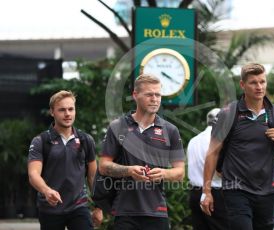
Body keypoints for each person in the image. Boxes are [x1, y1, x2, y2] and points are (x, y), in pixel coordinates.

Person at [201, 63, 274, 230]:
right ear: (242, 85)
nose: (259, 87)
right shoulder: (227, 114)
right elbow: (212, 153)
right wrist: (206, 192)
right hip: (236, 188)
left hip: (267, 190)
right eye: (253, 83)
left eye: (262, 82)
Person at [99, 74, 185, 230]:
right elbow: (103, 166)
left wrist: (164, 174)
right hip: (125, 211)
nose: (155, 99)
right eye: (149, 94)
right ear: (135, 95)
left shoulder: (170, 130)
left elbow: (180, 172)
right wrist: (129, 170)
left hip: (157, 212)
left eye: (158, 94)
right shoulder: (117, 127)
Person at [28, 90, 103, 230]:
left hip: (79, 207)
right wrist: (46, 190)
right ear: (52, 112)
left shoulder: (86, 140)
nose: (67, 114)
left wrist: (99, 207)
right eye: (62, 110)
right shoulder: (41, 141)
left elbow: (93, 176)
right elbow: (33, 174)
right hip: (50, 208)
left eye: (71, 109)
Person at [187, 108, 229, 230]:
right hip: (214, 193)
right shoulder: (219, 140)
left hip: (195, 193)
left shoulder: (193, 140)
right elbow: (219, 170)